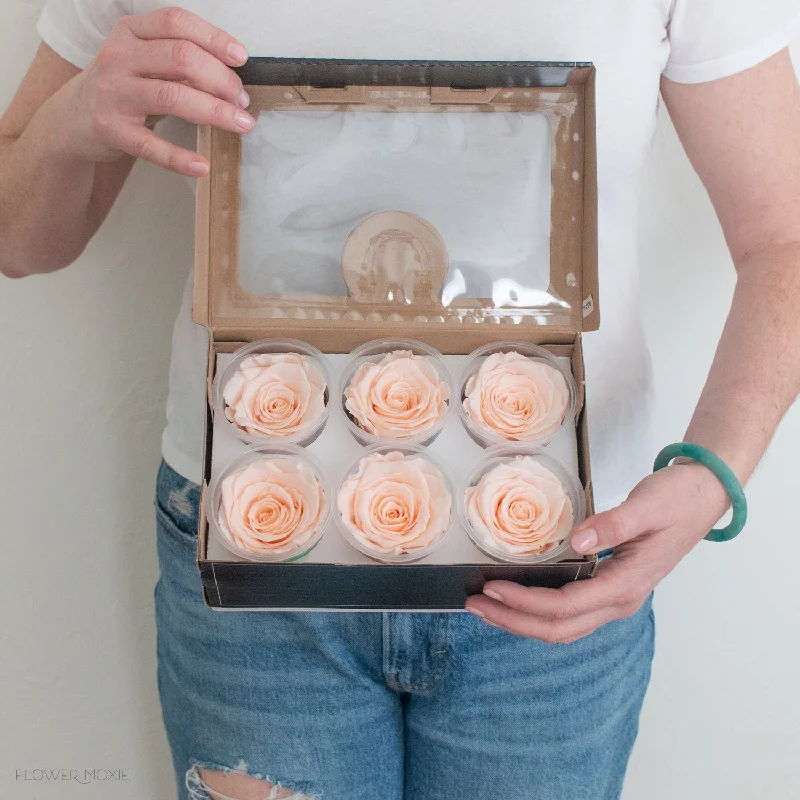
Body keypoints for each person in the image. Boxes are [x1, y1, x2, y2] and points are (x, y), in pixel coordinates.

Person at [2, 1, 799, 798]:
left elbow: (784, 234)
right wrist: (75, 119)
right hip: (252, 542)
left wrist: (709, 474)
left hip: (565, 552)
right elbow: (18, 238)